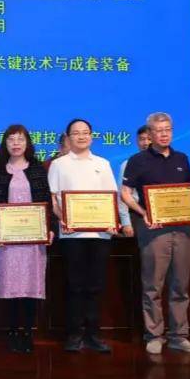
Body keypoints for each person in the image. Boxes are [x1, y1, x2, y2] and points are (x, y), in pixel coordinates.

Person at [121, 112, 190, 355]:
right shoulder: (138, 160)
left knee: (180, 286)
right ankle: (154, 335)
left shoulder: (182, 158)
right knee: (153, 286)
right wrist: (143, 212)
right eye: (159, 130)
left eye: (168, 129)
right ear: (150, 134)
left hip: (182, 229)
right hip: (153, 231)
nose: (164, 134)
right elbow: (125, 193)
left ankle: (179, 336)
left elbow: (188, 190)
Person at [47, 118, 118, 353]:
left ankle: (94, 334)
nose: (81, 136)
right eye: (76, 133)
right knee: (75, 285)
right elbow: (54, 199)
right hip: (72, 235)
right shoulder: (59, 165)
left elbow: (111, 197)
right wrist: (63, 219)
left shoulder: (103, 163)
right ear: (68, 137)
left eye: (85, 132)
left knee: (96, 286)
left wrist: (112, 222)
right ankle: (74, 334)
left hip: (100, 234)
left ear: (91, 136)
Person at [0, 124, 53, 354]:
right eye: (11, 139)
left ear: (27, 143)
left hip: (33, 240)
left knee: (31, 286)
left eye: (20, 139)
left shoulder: (37, 169)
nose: (16, 143)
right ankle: (12, 331)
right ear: (5, 144)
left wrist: (50, 228)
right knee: (10, 286)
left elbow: (46, 201)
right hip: (7, 241)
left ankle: (27, 332)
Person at [117, 125, 151, 237]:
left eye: (149, 139)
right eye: (142, 139)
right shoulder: (129, 164)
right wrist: (126, 223)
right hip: (136, 216)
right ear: (137, 142)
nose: (146, 143)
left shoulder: (165, 163)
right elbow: (122, 195)